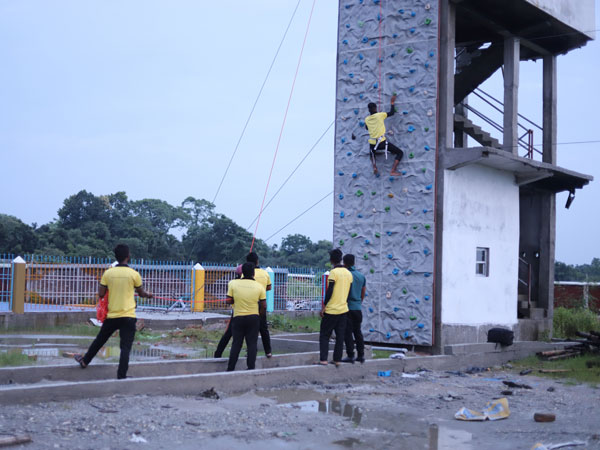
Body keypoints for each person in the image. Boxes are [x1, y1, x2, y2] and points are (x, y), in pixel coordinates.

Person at [74, 244, 153, 379]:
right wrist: (148, 295)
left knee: (100, 340)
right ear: (128, 257)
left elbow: (101, 293)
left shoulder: (108, 273)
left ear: (116, 257)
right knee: (125, 348)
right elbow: (141, 293)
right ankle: (121, 376)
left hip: (112, 315)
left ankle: (85, 361)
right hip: (128, 316)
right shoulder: (134, 274)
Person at [226, 262, 266, 371]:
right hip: (253, 318)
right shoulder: (259, 287)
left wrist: (237, 299)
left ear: (242, 272)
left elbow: (228, 300)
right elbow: (264, 305)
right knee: (252, 344)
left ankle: (230, 368)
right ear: (253, 273)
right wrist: (259, 315)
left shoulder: (233, 284)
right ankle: (250, 368)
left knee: (236, 343)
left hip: (238, 317)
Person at [318, 249, 352, 367]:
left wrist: (324, 306)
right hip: (343, 310)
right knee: (340, 336)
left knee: (324, 335)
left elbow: (330, 290)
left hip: (332, 310)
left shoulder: (334, 272)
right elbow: (349, 292)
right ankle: (337, 360)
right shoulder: (348, 273)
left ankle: (323, 360)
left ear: (331, 260)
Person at [364, 94, 404, 176]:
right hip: (381, 142)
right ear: (375, 108)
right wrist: (392, 102)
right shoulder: (380, 115)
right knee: (400, 153)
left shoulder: (367, 119)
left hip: (372, 143)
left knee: (372, 153)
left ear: (369, 110)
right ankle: (392, 170)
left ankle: (374, 167)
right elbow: (392, 113)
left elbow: (367, 128)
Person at [245, 252, 273, 358]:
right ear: (257, 261)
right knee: (263, 328)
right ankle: (268, 351)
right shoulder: (265, 273)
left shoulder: (245, 274)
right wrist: (261, 290)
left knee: (251, 330)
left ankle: (251, 352)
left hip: (249, 304)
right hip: (262, 304)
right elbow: (269, 287)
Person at [341, 254, 366, 364]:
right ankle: (361, 355)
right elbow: (363, 293)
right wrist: (358, 302)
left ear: (344, 263)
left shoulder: (346, 275)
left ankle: (350, 355)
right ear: (354, 262)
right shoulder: (361, 276)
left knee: (347, 332)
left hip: (348, 308)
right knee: (358, 332)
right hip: (358, 308)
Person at [214, 264, 242, 358]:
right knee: (243, 337)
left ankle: (218, 354)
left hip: (236, 312)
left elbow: (229, 300)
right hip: (242, 312)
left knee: (228, 334)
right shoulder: (240, 284)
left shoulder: (233, 282)